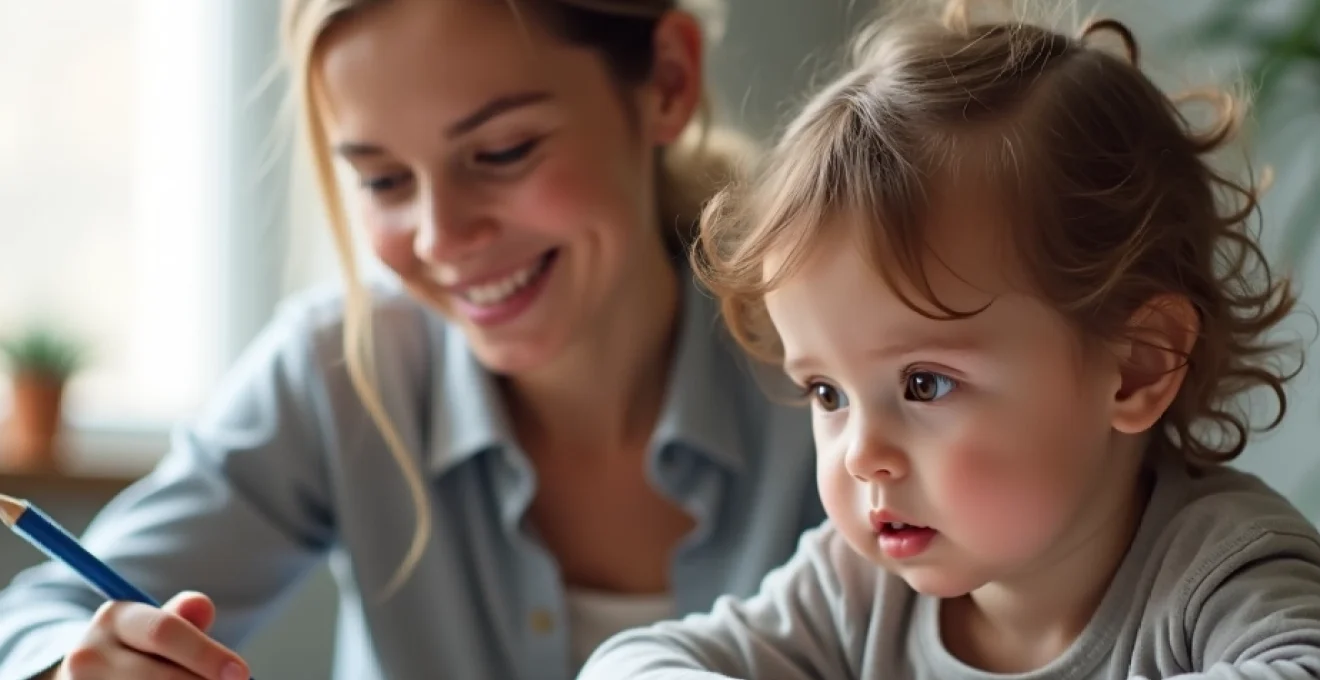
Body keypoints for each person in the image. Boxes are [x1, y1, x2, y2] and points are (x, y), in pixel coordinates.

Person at [0, 1, 826, 679]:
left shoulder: (837, 365)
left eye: (502, 151)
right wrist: (81, 667)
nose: (441, 236)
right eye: (383, 180)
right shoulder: (339, 371)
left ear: (669, 82)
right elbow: (38, 617)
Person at [578, 1, 1320, 678]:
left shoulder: (1222, 572)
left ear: (1137, 366)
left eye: (924, 383)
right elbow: (631, 664)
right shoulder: (855, 591)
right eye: (826, 393)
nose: (860, 454)